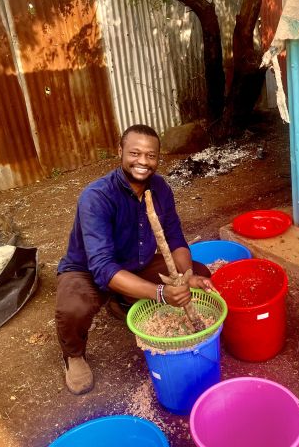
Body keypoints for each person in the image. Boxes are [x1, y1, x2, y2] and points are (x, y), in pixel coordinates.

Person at [55, 124, 214, 395]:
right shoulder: (97, 197)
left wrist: (186, 277)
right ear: (120, 152)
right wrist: (162, 293)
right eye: (135, 153)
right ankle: (74, 355)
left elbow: (175, 239)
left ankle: (121, 301)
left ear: (158, 158)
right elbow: (103, 268)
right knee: (73, 307)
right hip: (88, 270)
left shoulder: (160, 188)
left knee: (201, 272)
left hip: (134, 263)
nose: (143, 161)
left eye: (150, 155)